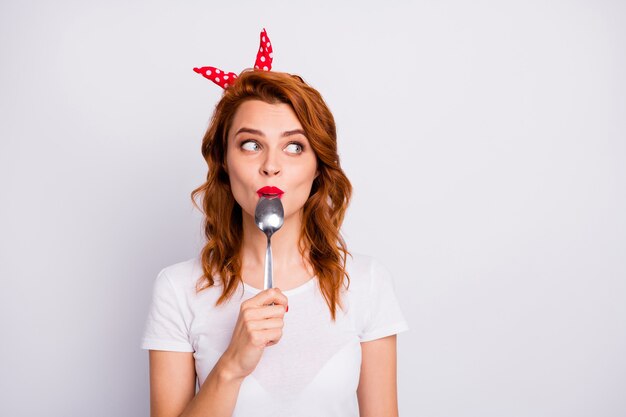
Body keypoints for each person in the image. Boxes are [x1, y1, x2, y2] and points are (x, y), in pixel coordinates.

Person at [141, 29, 409, 417]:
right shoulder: (178, 289)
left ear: (319, 167)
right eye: (251, 144)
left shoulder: (367, 283)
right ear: (223, 161)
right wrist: (232, 365)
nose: (271, 165)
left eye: (294, 146)